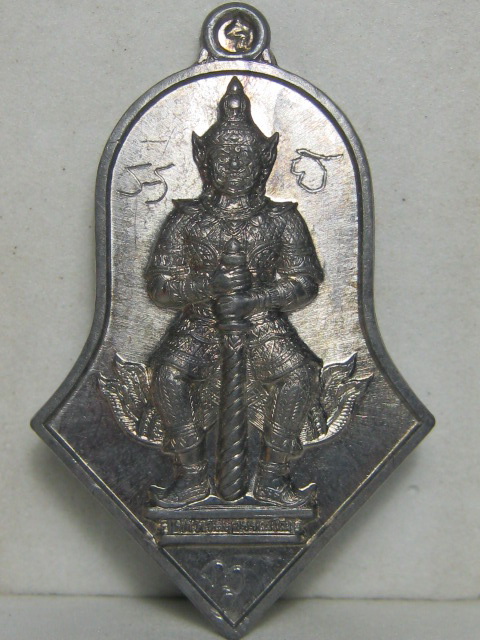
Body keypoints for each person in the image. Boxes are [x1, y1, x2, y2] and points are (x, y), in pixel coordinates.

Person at [145, 77, 323, 507]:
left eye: (244, 156)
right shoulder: (186, 220)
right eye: (223, 155)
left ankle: (273, 476)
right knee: (167, 375)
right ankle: (191, 474)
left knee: (300, 374)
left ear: (263, 161)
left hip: (261, 322)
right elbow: (161, 287)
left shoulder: (281, 219)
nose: (234, 165)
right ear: (204, 160)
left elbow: (304, 282)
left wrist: (255, 299)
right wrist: (209, 286)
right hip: (200, 322)